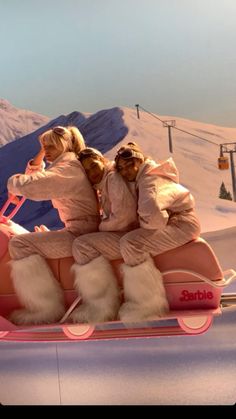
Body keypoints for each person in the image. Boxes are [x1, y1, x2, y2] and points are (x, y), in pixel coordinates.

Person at [7, 126, 100, 325]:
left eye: (50, 146)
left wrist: (12, 183)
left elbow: (34, 184)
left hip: (80, 233)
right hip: (79, 229)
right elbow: (38, 172)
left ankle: (44, 308)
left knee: (19, 244)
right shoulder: (69, 164)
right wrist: (42, 152)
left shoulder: (67, 169)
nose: (46, 150)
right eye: (44, 146)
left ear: (63, 146)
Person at [113, 142, 201, 321]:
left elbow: (153, 217)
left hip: (181, 224)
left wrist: (144, 226)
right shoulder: (149, 174)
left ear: (138, 160)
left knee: (131, 243)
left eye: (128, 166)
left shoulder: (149, 182)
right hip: (182, 220)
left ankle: (146, 303)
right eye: (121, 168)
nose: (125, 172)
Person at [70, 147, 139, 324]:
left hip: (128, 234)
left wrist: (101, 229)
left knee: (82, 245)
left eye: (93, 166)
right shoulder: (104, 182)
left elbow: (125, 214)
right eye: (86, 170)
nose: (91, 172)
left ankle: (102, 305)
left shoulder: (112, 179)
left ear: (102, 160)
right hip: (125, 233)